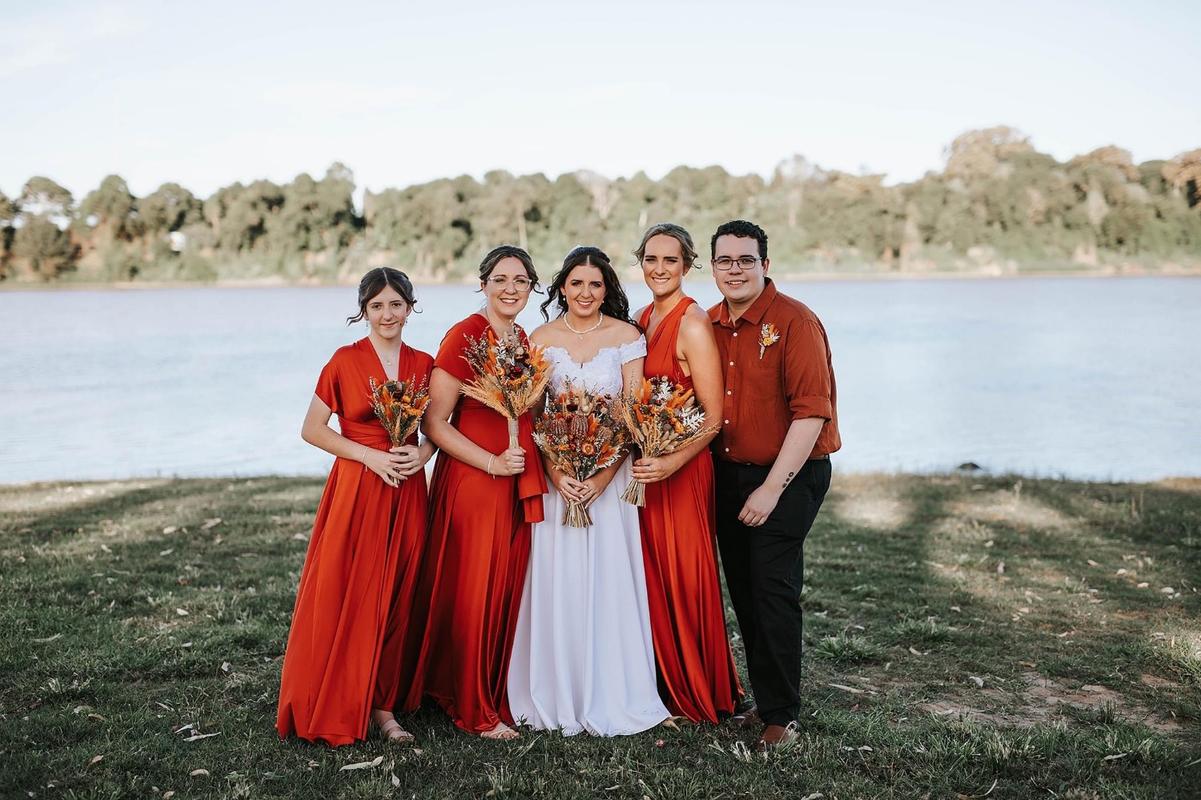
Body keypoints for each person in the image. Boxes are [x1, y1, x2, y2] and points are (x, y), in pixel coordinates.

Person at [506, 246, 669, 736]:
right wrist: (558, 473)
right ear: (561, 288)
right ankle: (555, 689)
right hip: (559, 477)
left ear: (607, 290)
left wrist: (600, 476)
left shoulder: (627, 337)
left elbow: (632, 414)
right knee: (559, 577)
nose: (585, 293)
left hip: (610, 478)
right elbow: (531, 413)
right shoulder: (541, 337)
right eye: (576, 283)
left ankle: (612, 690)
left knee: (607, 576)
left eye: (595, 285)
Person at [277, 267, 435, 746]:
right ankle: (339, 696)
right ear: (364, 311)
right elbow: (313, 428)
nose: (387, 314)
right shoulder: (344, 361)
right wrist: (369, 455)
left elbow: (437, 430)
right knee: (347, 590)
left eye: (395, 304)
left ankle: (384, 708)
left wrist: (421, 453)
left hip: (406, 491)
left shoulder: (424, 363)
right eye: (377, 306)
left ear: (409, 307)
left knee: (397, 594)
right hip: (357, 489)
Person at [401, 246, 547, 740]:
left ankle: (482, 685)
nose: (511, 288)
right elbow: (435, 424)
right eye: (501, 279)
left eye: (521, 281)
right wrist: (489, 462)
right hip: (474, 481)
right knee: (472, 588)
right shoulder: (464, 335)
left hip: (514, 478)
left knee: (502, 584)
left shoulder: (523, 338)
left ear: (532, 288)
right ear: (483, 283)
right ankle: (471, 706)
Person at [706, 220, 841, 749]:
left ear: (765, 264)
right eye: (725, 261)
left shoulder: (795, 322)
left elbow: (810, 416)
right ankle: (764, 700)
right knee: (743, 588)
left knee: (773, 589)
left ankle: (782, 716)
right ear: (713, 266)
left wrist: (771, 490)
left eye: (745, 260)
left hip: (790, 474)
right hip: (729, 475)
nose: (735, 269)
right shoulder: (710, 322)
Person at [630, 223, 743, 723]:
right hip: (644, 471)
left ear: (687, 266)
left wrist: (670, 462)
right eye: (651, 259)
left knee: (682, 575)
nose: (659, 269)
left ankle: (698, 685)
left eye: (670, 261)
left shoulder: (692, 323)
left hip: (680, 473)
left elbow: (714, 417)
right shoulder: (639, 319)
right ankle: (654, 682)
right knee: (647, 576)